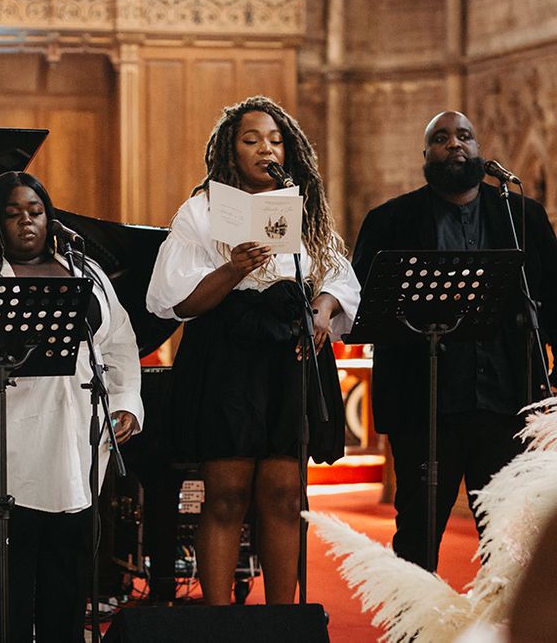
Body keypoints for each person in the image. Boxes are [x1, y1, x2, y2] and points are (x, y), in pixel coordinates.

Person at [146, 95, 360, 605]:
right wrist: (234, 267)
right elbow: (173, 301)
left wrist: (323, 311)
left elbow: (338, 279)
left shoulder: (303, 209)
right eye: (251, 140)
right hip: (228, 356)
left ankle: (282, 622)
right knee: (226, 497)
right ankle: (222, 623)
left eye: (276, 139)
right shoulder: (200, 211)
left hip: (290, 353)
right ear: (230, 151)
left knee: (285, 497)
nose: (266, 148)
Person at [0, 171, 143, 642]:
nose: (26, 222)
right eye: (13, 215)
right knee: (8, 561)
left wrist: (127, 401)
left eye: (35, 212)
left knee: (68, 561)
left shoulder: (85, 271)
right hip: (4, 439)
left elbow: (119, 341)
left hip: (74, 435)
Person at [352, 110, 557, 570]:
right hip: (425, 407)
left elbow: (553, 296)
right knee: (418, 537)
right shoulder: (389, 221)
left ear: (480, 151)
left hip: (506, 404)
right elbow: (362, 304)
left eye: (464, 136)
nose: (454, 145)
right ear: (425, 155)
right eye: (441, 138)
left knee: (506, 536)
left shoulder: (521, 214)